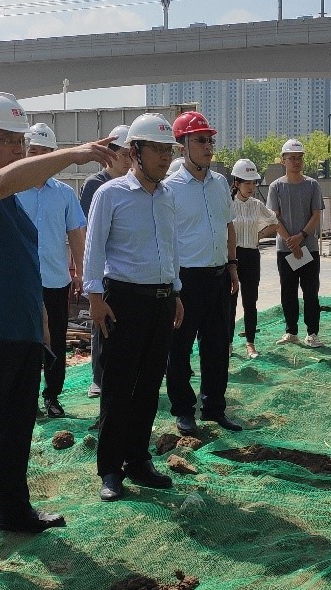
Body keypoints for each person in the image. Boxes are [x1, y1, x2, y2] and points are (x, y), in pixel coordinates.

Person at [0, 92, 115, 579]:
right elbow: (2, 180)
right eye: (11, 140)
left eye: (22, 141)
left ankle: (15, 511)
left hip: (20, 333)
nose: (19, 149)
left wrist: (39, 319)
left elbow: (22, 265)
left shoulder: (13, 207)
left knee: (16, 431)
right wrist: (74, 153)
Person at [83, 113, 185, 501]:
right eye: (157, 149)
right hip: (123, 302)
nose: (165, 157)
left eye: (168, 150)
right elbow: (94, 247)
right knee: (118, 387)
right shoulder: (110, 194)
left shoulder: (168, 196)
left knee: (149, 386)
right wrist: (95, 298)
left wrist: (176, 292)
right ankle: (110, 469)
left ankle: (138, 460)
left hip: (161, 302)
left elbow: (171, 248)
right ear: (135, 152)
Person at [163, 111, 242, 436]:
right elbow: (165, 239)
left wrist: (233, 265)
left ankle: (214, 408)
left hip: (218, 277)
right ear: (183, 146)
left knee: (217, 346)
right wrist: (173, 286)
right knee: (179, 349)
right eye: (200, 141)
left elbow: (228, 226)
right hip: (185, 281)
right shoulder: (169, 189)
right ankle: (184, 410)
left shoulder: (220, 183)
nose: (208, 147)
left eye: (210, 141)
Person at [15, 122, 87, 418]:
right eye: (34, 151)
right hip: (21, 282)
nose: (40, 158)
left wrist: (81, 272)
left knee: (55, 340)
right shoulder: (12, 190)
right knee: (23, 341)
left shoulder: (64, 194)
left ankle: (52, 395)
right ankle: (25, 397)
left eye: (46, 152)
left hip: (56, 280)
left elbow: (76, 233)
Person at [78, 124, 132, 399]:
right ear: (109, 153)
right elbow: (87, 233)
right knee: (102, 326)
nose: (128, 160)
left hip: (126, 269)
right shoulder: (95, 185)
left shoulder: (133, 185)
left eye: (132, 154)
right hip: (104, 269)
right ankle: (98, 379)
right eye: (124, 154)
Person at [267, 139, 326, 348]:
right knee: (288, 292)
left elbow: (316, 214)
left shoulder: (312, 185)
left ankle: (312, 333)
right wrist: (291, 242)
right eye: (292, 158)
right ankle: (291, 331)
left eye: (299, 158)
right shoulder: (276, 187)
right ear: (283, 160)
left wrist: (301, 236)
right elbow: (275, 218)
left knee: (311, 292)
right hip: (286, 250)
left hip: (309, 248)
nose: (296, 162)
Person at [228, 158, 278, 360]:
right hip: (231, 257)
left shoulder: (257, 205)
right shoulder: (228, 203)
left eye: (254, 182)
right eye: (247, 182)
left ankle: (250, 343)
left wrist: (259, 235)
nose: (251, 187)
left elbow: (274, 222)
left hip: (251, 256)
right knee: (229, 303)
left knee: (250, 302)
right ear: (236, 183)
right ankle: (228, 342)